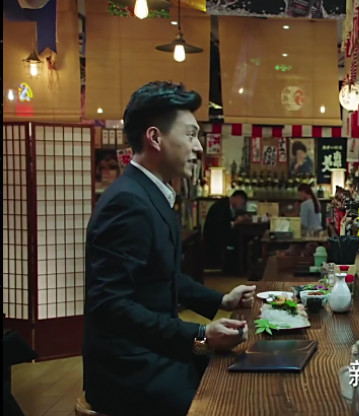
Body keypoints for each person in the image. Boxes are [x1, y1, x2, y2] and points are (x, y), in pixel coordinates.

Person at [82, 81, 257, 416]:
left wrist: (222, 300)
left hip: (156, 352)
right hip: (130, 370)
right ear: (155, 138)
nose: (199, 148)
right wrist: (201, 334)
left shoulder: (149, 192)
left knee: (242, 369)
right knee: (233, 400)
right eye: (190, 135)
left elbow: (163, 276)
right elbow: (110, 305)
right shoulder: (128, 202)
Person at [202, 190, 250, 271]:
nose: (241, 206)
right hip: (214, 236)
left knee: (243, 238)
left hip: (219, 233)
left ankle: (241, 267)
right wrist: (235, 222)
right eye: (242, 203)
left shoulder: (226, 204)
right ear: (238, 198)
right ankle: (238, 268)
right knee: (241, 240)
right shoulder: (222, 206)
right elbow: (221, 226)